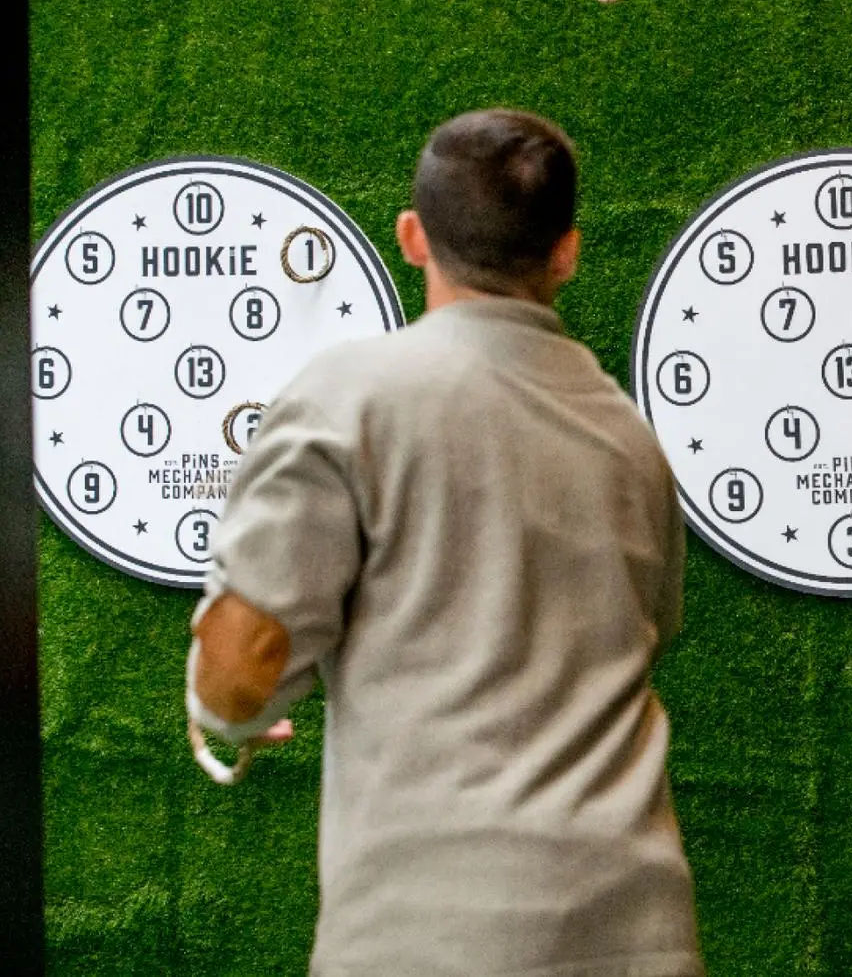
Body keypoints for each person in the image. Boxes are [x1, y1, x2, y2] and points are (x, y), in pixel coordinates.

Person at [187, 109, 703, 977]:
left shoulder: (349, 396)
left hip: (424, 938)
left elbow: (248, 660)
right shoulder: (632, 442)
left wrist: (225, 708)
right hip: (637, 938)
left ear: (412, 236)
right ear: (567, 252)